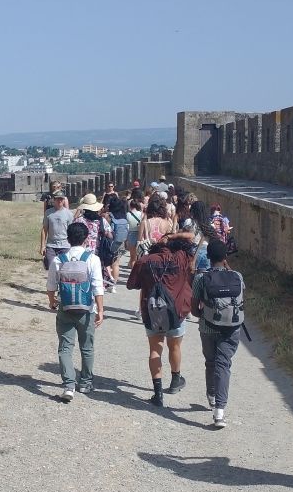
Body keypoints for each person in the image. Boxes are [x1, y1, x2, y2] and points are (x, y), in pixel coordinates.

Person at [126, 231, 195, 406]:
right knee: (175, 346)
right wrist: (171, 236)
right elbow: (192, 237)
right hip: (177, 311)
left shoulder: (145, 261)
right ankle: (175, 381)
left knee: (155, 350)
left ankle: (158, 394)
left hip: (152, 312)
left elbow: (131, 284)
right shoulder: (181, 258)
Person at [46, 220, 105, 401]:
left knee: (65, 348)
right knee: (87, 347)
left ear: (67, 239)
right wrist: (100, 310)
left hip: (66, 308)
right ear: (86, 239)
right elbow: (97, 286)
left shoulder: (58, 260)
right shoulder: (92, 259)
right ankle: (85, 383)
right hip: (87, 310)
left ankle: (69, 386)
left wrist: (52, 302)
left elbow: (50, 285)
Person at [191, 238, 245, 427]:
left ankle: (212, 396)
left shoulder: (200, 279)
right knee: (224, 365)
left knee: (211, 362)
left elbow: (194, 310)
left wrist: (204, 315)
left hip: (208, 327)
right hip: (231, 328)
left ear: (208, 256)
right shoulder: (237, 276)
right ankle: (219, 412)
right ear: (225, 257)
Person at [72, 193, 114, 287]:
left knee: (83, 277)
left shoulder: (79, 220)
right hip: (98, 253)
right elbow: (110, 235)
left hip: (82, 253)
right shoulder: (102, 221)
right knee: (96, 278)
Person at [102, 182, 130, 284]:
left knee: (107, 263)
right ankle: (114, 284)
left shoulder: (108, 216)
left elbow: (105, 229)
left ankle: (108, 281)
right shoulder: (123, 216)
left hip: (111, 242)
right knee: (116, 263)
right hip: (121, 241)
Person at [39, 191, 73, 269]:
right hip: (51, 246)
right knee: (51, 268)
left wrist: (72, 246)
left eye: (61, 199)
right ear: (54, 200)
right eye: (57, 199)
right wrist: (42, 246)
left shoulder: (69, 214)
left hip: (65, 245)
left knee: (65, 269)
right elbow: (44, 230)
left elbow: (71, 231)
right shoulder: (48, 213)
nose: (60, 201)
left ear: (64, 200)